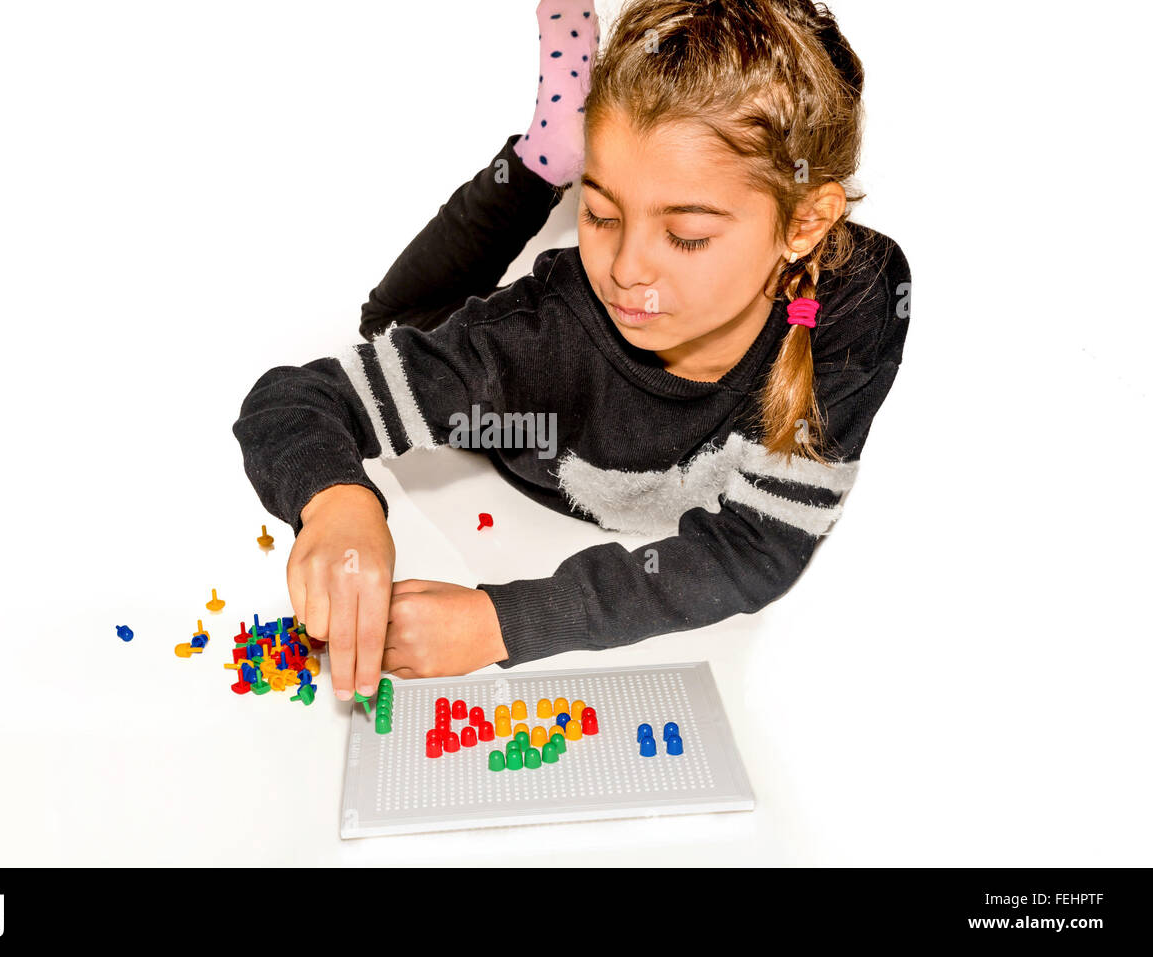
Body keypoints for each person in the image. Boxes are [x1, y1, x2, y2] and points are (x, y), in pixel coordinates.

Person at [233, 0, 911, 701]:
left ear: (806, 224)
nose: (626, 270)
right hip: (513, 387)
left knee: (409, 324)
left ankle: (567, 151)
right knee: (395, 321)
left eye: (685, 235)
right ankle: (550, 154)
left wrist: (501, 621)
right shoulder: (539, 337)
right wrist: (339, 502)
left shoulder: (860, 297)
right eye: (599, 213)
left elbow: (760, 545)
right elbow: (296, 401)